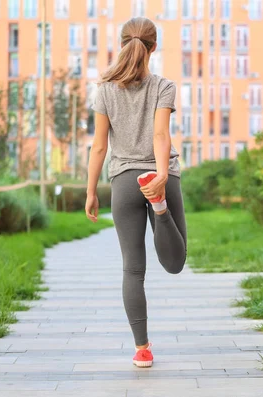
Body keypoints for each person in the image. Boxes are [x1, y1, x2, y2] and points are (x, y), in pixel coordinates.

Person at [84, 17, 187, 368]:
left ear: (121, 43)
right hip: (161, 176)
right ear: (153, 48)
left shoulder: (105, 89)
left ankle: (142, 348)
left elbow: (99, 147)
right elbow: (161, 135)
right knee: (174, 264)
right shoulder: (164, 86)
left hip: (124, 180)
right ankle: (159, 208)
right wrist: (159, 176)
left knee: (132, 269)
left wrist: (91, 191)